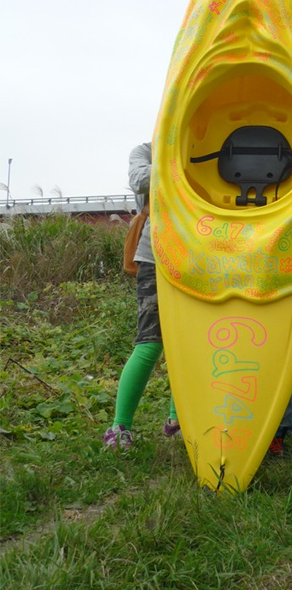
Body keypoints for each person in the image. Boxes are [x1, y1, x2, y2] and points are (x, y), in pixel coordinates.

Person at [102, 142, 179, 450]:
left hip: (198, 257)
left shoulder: (201, 140)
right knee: (149, 343)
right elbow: (139, 179)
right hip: (155, 257)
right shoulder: (145, 151)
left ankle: (177, 421)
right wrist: (183, 165)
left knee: (185, 344)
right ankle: (119, 429)